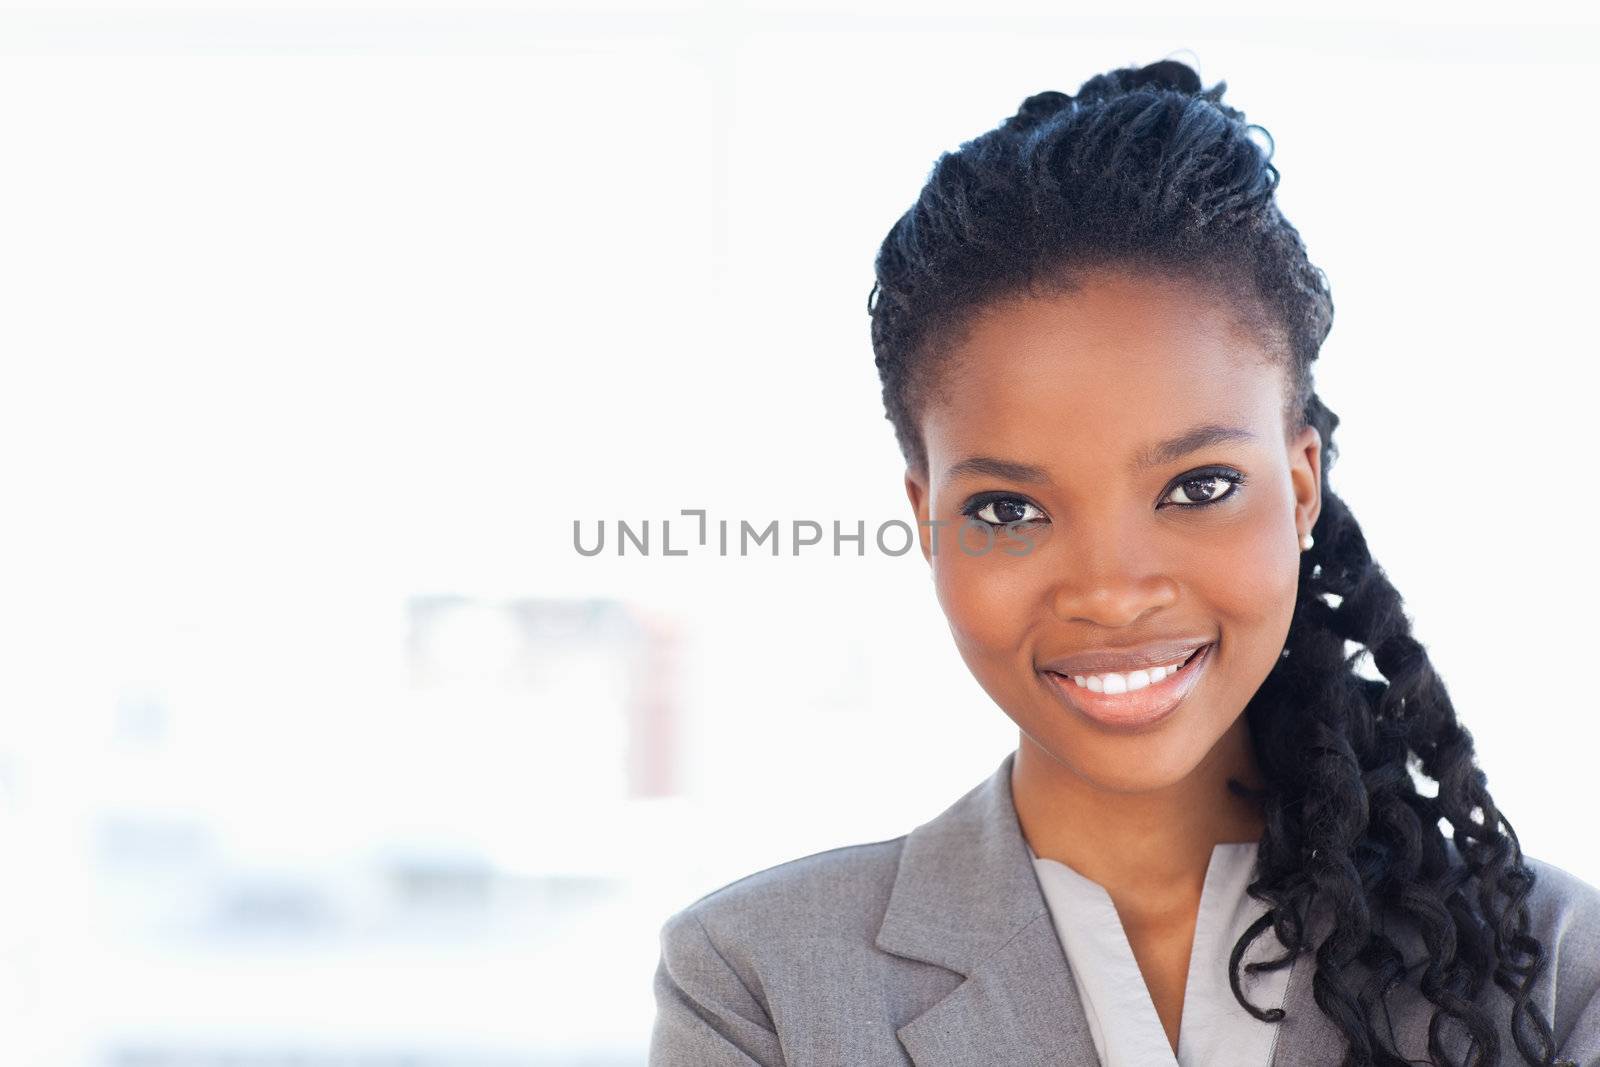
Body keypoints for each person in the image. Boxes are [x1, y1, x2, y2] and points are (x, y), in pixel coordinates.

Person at [647, 58, 1600, 1067]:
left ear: (1301, 482)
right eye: (1009, 507)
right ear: (927, 519)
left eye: (1196, 486)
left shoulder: (1555, 969)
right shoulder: (760, 982)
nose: (1108, 587)